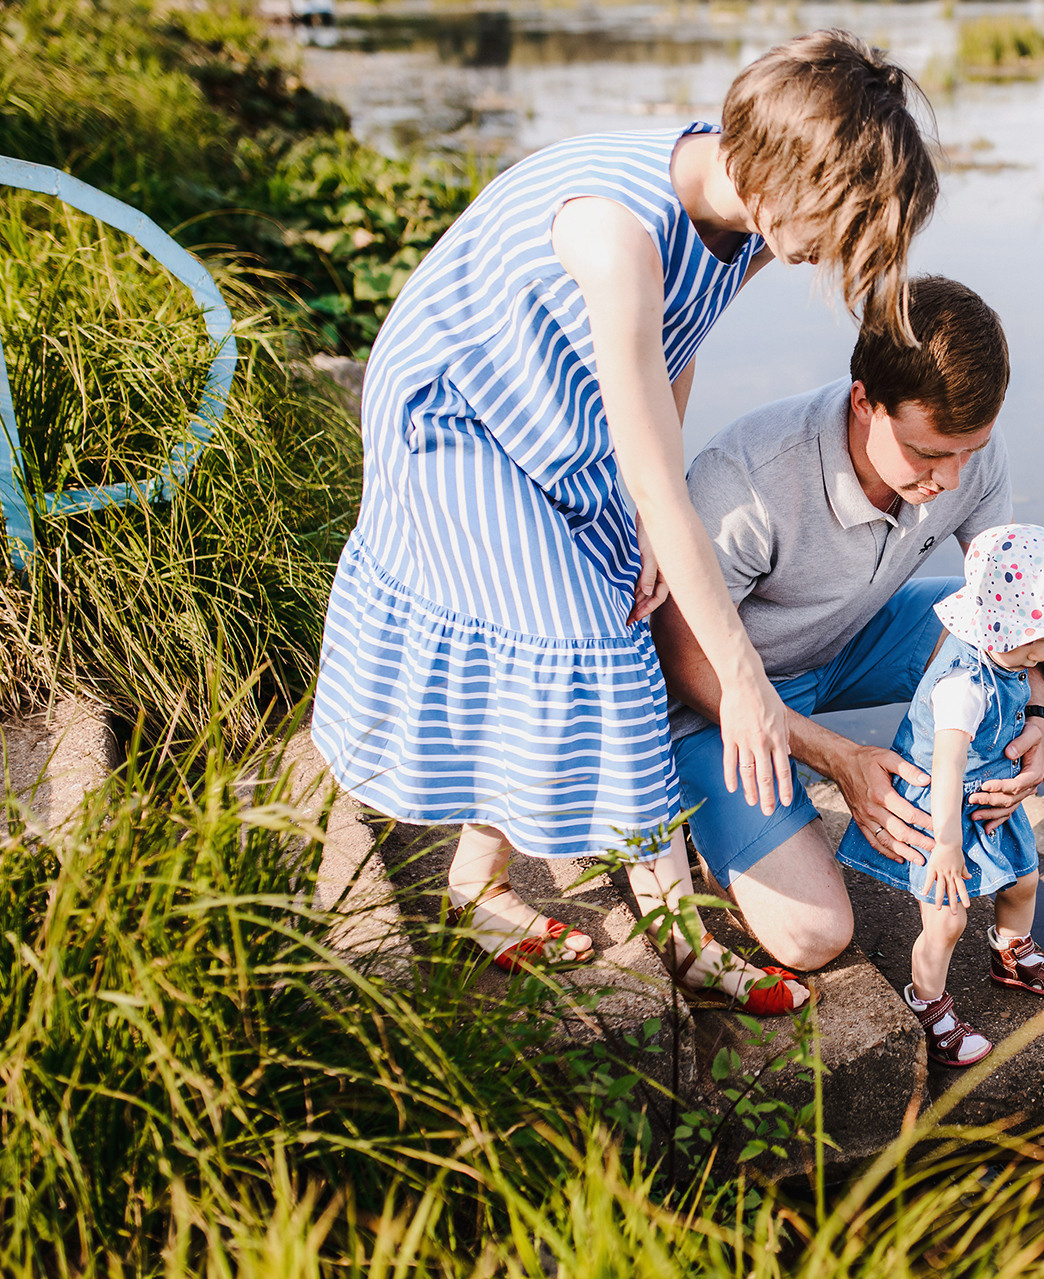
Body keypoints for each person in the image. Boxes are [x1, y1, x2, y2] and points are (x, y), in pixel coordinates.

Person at [311, 31, 937, 1013]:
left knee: (615, 598)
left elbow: (674, 346)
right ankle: (672, 932)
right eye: (838, 224)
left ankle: (479, 882)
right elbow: (650, 463)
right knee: (591, 639)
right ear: (786, 179)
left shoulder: (739, 214)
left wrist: (649, 525)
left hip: (555, 404)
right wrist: (738, 678)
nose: (831, 254)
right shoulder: (620, 235)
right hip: (457, 416)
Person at [654, 276, 1044, 979]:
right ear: (864, 402)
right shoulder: (746, 479)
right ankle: (713, 827)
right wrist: (839, 758)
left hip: (853, 639)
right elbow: (682, 659)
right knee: (814, 936)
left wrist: (1036, 717)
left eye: (970, 450)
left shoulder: (966, 457)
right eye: (928, 453)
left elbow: (1012, 614)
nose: (950, 476)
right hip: (724, 697)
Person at [836, 524, 1044, 1065]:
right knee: (947, 916)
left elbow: (1036, 673)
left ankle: (1011, 951)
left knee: (1024, 881)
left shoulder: (1012, 654)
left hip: (987, 798)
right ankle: (926, 1001)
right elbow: (947, 769)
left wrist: (1036, 712)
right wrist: (946, 847)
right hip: (943, 807)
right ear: (1009, 636)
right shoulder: (962, 685)